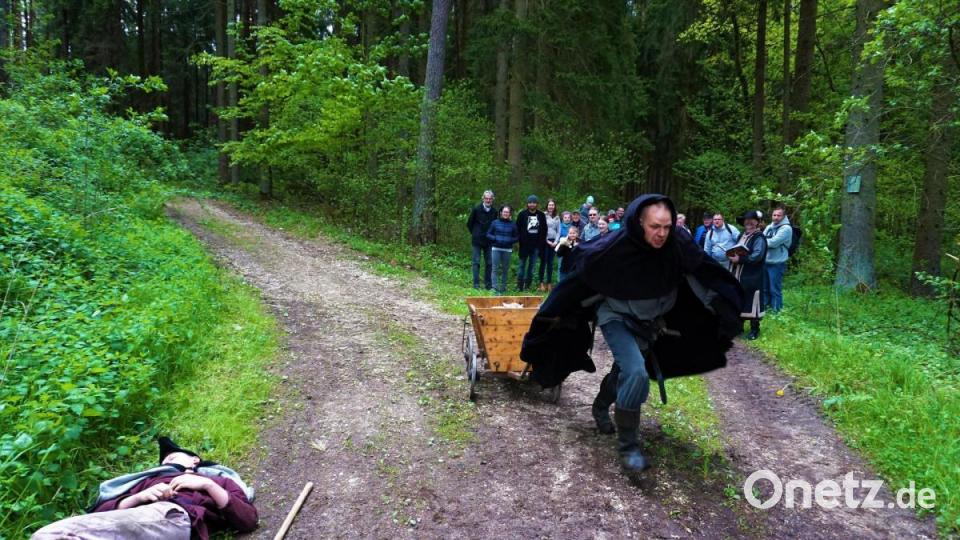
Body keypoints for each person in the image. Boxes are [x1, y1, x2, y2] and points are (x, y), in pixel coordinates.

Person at [520, 195, 742, 473]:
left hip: (651, 322)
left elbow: (700, 275)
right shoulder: (614, 248)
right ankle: (629, 447)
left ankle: (600, 405)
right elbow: (584, 267)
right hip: (616, 317)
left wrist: (720, 308)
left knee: (625, 372)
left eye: (667, 227)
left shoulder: (678, 245)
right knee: (636, 372)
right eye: (654, 226)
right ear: (639, 222)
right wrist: (555, 309)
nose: (661, 234)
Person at [31, 437, 258, 540]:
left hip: (173, 516)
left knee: (50, 536)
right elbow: (103, 515)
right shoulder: (143, 482)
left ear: (194, 460)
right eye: (163, 461)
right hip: (135, 519)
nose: (166, 461)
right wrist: (138, 497)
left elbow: (248, 520)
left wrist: (206, 485)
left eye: (173, 456)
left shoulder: (217, 481)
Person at [729, 210, 768, 340]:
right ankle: (739, 327)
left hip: (752, 276)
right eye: (746, 221)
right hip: (739, 274)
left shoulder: (759, 237)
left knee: (753, 301)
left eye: (752, 221)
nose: (749, 223)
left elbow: (757, 256)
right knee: (740, 299)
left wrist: (740, 260)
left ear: (757, 222)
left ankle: (754, 330)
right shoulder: (742, 235)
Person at [763, 206, 792, 312]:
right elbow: (762, 237)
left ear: (783, 216)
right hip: (766, 261)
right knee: (765, 288)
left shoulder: (786, 229)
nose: (775, 217)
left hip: (777, 263)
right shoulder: (769, 227)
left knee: (775, 289)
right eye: (774, 215)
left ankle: (776, 310)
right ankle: (765, 308)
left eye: (778, 215)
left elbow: (773, 243)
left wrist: (759, 243)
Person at [466, 190, 497, 290]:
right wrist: (475, 233)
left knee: (489, 263)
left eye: (490, 199)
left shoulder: (494, 211)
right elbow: (469, 224)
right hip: (477, 240)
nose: (488, 200)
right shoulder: (476, 209)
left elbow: (495, 226)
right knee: (476, 262)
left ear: (492, 200)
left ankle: (488, 285)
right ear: (483, 198)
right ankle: (476, 284)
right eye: (486, 198)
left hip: (489, 241)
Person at [515, 195, 547, 291]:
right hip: (524, 246)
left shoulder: (541, 215)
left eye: (534, 202)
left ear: (537, 204)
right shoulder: (522, 214)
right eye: (530, 202)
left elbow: (544, 230)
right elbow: (517, 229)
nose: (532, 204)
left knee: (531, 268)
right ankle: (519, 286)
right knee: (521, 266)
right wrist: (519, 242)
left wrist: (540, 245)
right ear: (527, 204)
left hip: (536, 246)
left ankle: (527, 286)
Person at [487, 205, 519, 296]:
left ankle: (503, 287)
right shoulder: (494, 222)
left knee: (505, 269)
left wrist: (510, 240)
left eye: (507, 212)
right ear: (501, 213)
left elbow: (517, 237)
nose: (506, 213)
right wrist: (495, 238)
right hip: (496, 248)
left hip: (507, 250)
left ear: (509, 214)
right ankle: (494, 288)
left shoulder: (513, 224)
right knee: (495, 269)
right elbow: (488, 234)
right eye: (504, 212)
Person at [538, 199, 561, 292]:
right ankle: (541, 283)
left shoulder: (557, 217)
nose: (551, 206)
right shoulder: (543, 215)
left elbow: (559, 230)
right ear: (547, 206)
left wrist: (556, 241)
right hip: (545, 242)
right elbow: (540, 229)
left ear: (554, 206)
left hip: (554, 242)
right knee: (543, 262)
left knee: (550, 263)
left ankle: (549, 283)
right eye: (549, 205)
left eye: (552, 205)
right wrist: (547, 241)